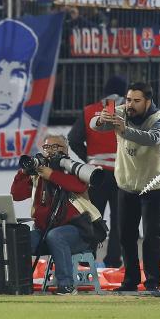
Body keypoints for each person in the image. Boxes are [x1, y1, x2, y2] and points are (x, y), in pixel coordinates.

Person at [91, 82, 160, 292]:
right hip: (127, 186)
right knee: (126, 236)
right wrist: (101, 119)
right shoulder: (121, 112)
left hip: (153, 187)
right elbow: (94, 124)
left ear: (148, 101)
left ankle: (153, 281)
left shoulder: (159, 119)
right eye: (128, 100)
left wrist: (123, 130)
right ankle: (130, 281)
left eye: (136, 101)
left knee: (151, 236)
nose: (130, 105)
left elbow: (153, 139)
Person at [10, 134, 104, 295]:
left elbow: (79, 187)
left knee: (56, 236)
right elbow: (17, 194)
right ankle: (20, 284)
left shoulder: (75, 170)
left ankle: (66, 285)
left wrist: (51, 174)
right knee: (21, 239)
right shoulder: (38, 175)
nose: (50, 151)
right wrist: (24, 171)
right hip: (45, 232)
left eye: (55, 147)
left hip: (81, 232)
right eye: (46, 147)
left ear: (65, 150)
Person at [68, 75, 127, 268]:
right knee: (120, 221)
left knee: (93, 218)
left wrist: (89, 158)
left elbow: (73, 139)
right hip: (122, 175)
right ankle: (113, 262)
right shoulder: (127, 112)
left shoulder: (90, 111)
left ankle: (87, 262)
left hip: (96, 175)